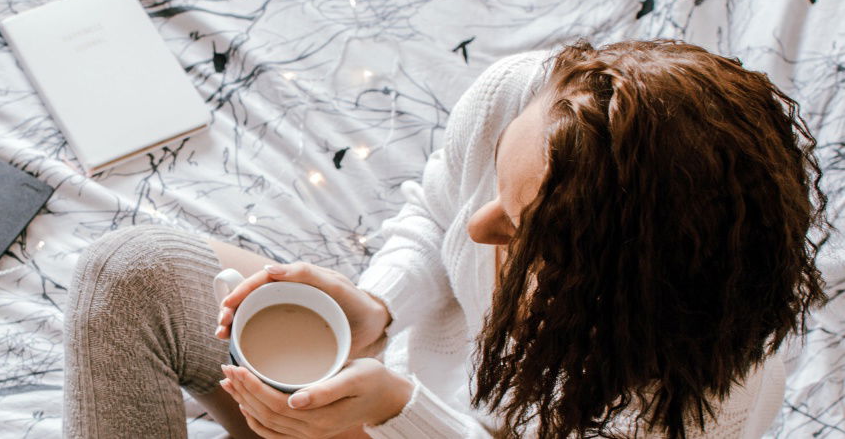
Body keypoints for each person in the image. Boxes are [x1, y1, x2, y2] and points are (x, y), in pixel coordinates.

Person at [63, 39, 828, 438]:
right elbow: (435, 215)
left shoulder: (696, 408)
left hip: (414, 419)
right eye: (496, 183)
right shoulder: (523, 97)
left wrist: (399, 409)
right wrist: (375, 306)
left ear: (615, 300)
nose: (478, 225)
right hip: (382, 391)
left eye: (521, 233)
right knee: (127, 269)